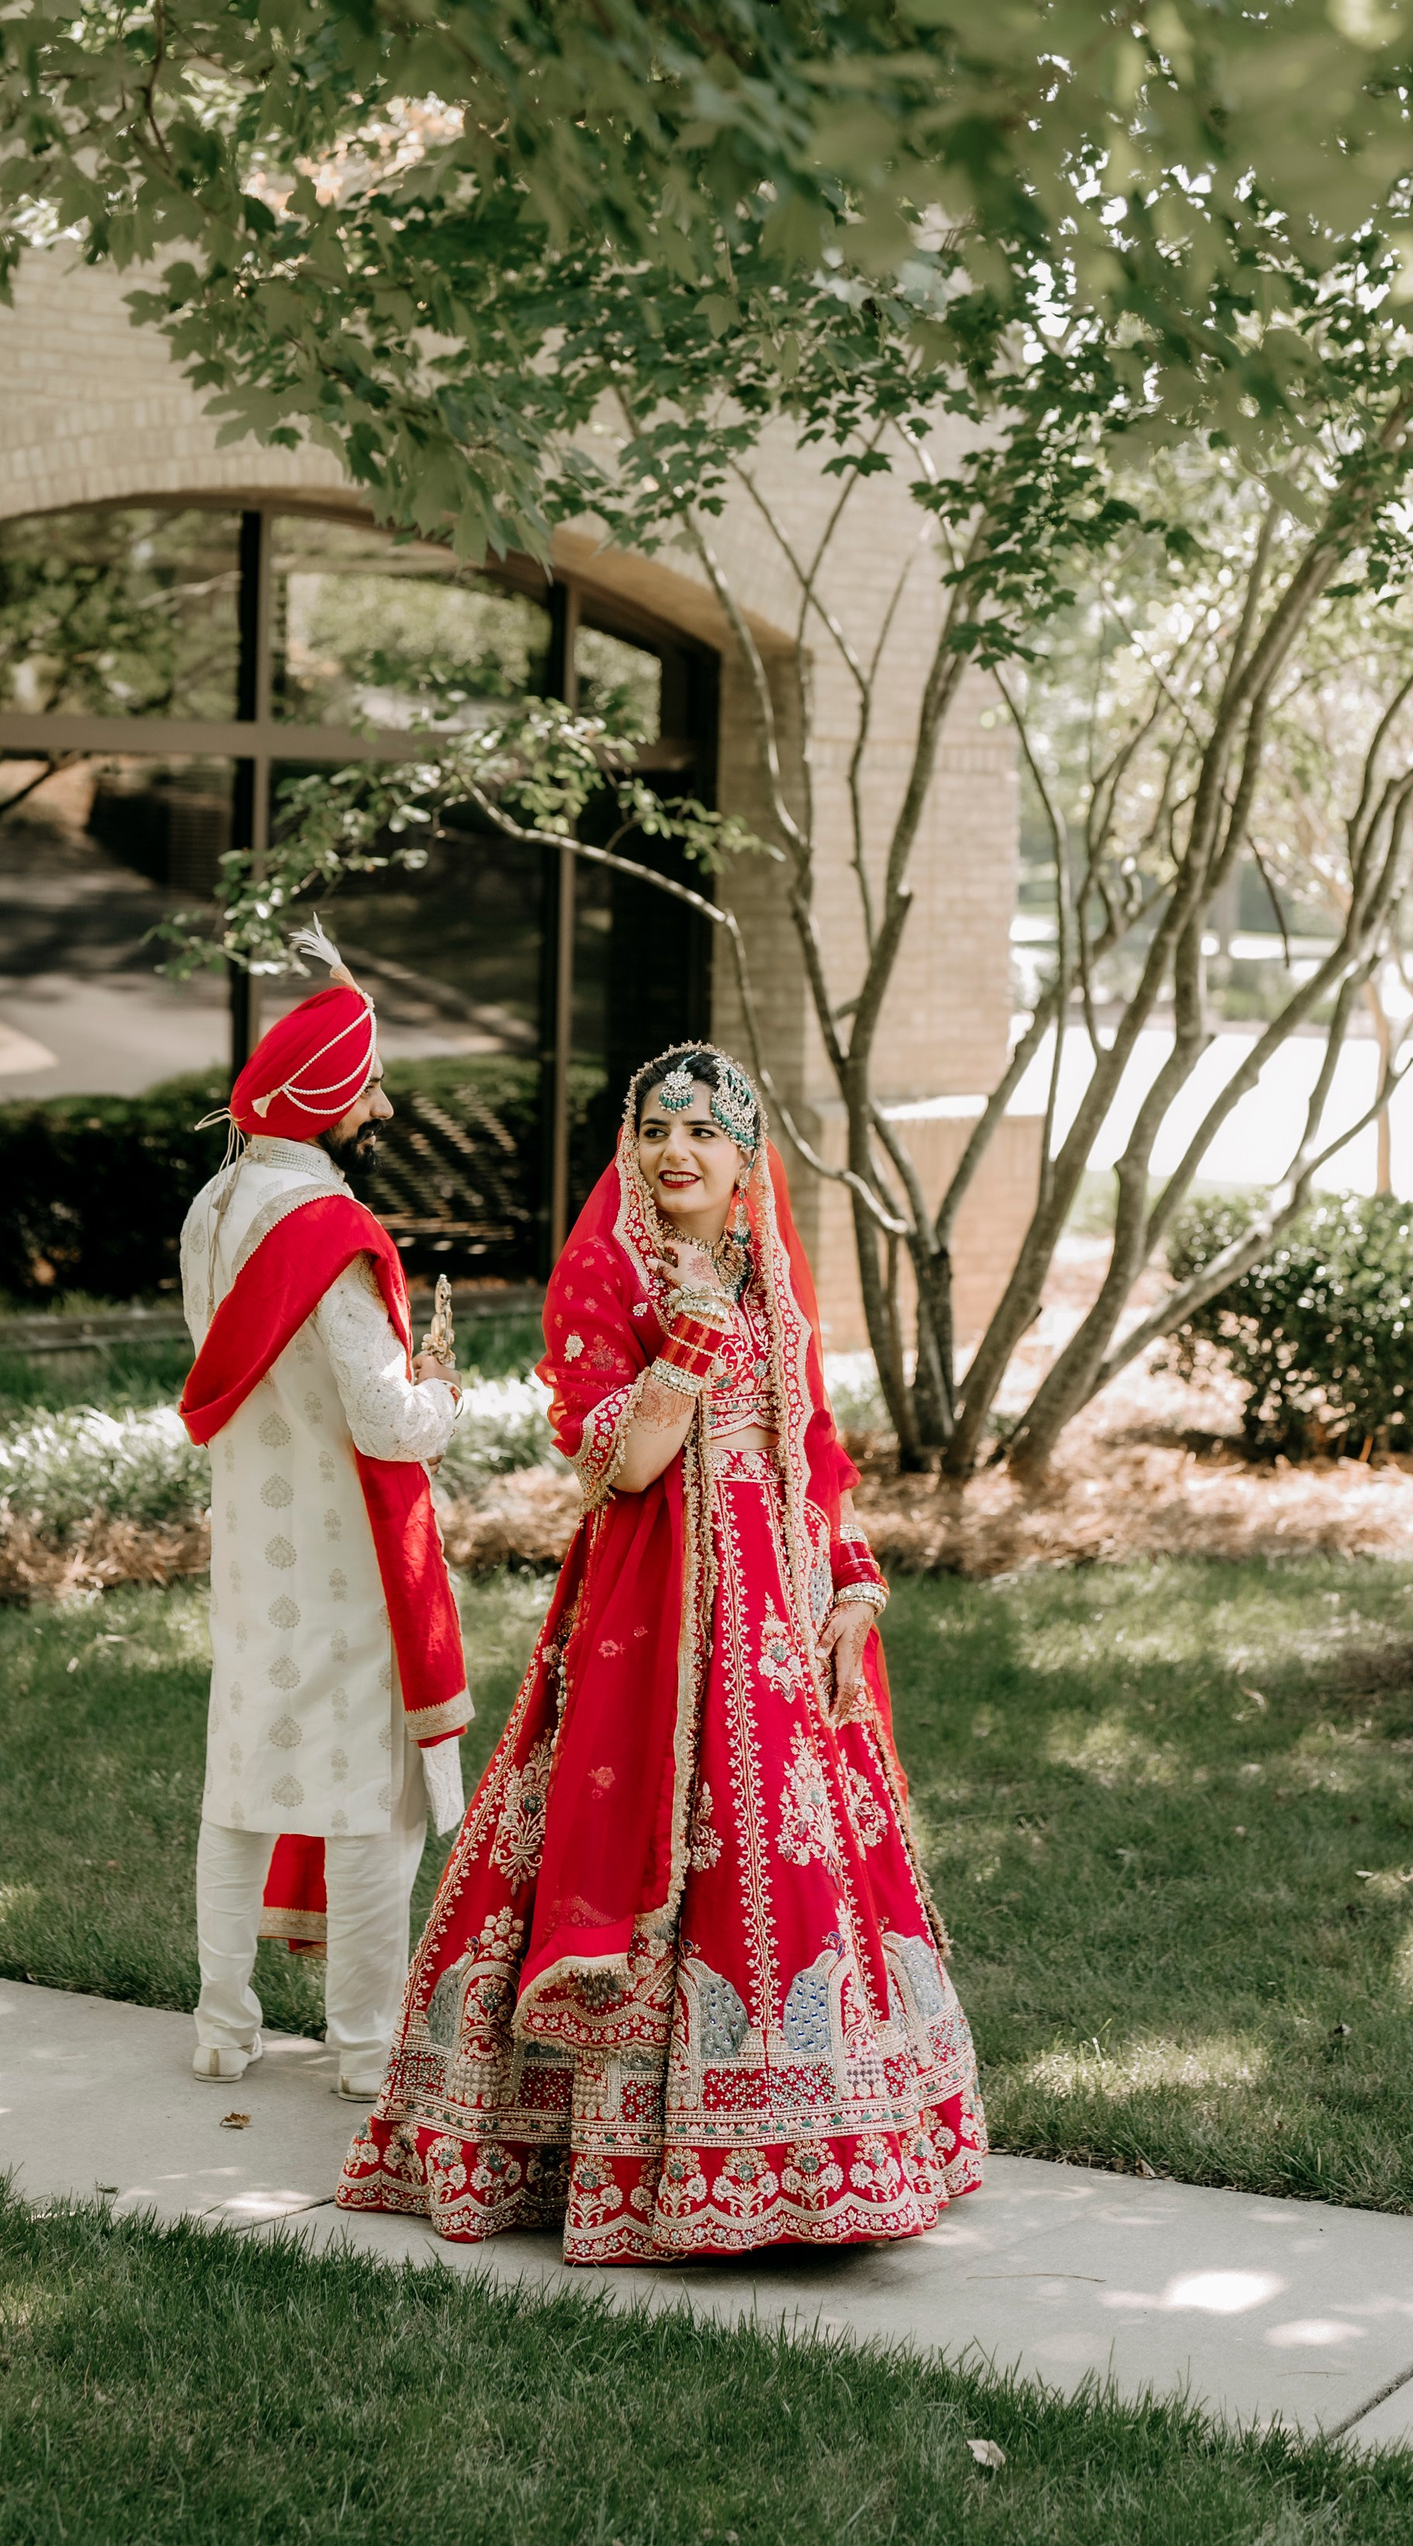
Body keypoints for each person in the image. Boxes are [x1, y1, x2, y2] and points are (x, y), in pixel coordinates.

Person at [340, 1041, 984, 2262]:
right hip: (655, 1611)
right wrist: (686, 1339)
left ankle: (818, 2142)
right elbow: (621, 1464)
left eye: (702, 1130)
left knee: (791, 1840)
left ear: (746, 1156)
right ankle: (621, 2146)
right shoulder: (605, 1269)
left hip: (777, 1610)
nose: (674, 1150)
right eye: (654, 1128)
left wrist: (852, 1579)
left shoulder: (763, 1266)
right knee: (645, 1831)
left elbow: (814, 1441)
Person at [176, 933, 470, 2100]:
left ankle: (220, 2025)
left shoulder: (210, 1209)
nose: (382, 1106)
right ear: (326, 1101)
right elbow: (387, 1423)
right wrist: (443, 1389)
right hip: (348, 1553)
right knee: (367, 1802)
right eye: (371, 1088)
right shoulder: (331, 1235)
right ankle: (364, 2049)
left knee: (240, 1778)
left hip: (254, 1542)